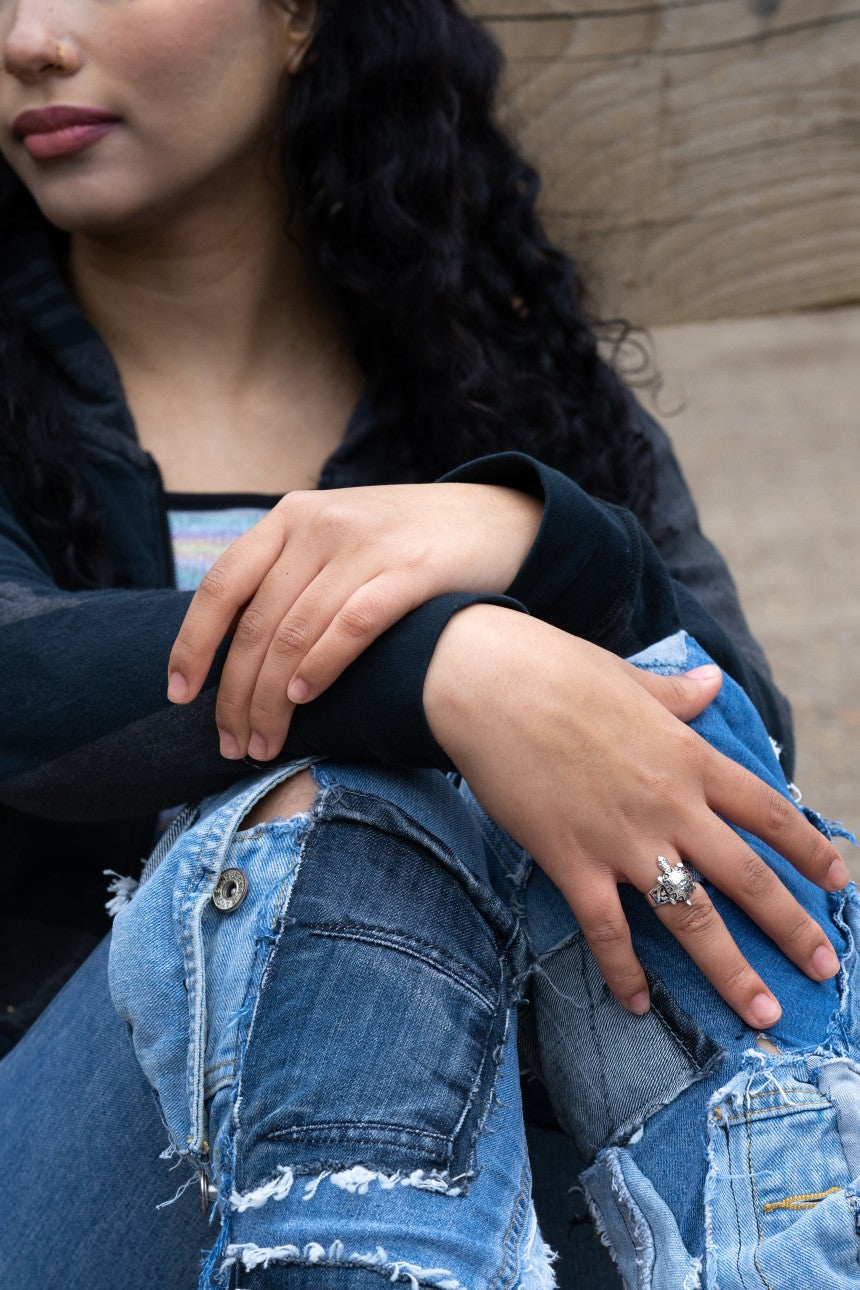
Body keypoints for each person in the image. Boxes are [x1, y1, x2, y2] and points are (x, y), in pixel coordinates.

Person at [0, 2, 856, 1288]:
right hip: (63, 1192)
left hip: (538, 1194)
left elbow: (738, 770)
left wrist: (533, 531)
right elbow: (21, 685)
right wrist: (442, 666)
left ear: (296, 17)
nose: (28, 38)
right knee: (333, 816)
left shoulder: (508, 371)